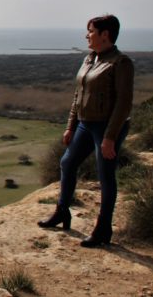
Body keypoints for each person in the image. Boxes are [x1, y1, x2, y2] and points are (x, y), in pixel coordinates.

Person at [38, 14, 134, 248]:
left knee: (106, 176)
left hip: (106, 126)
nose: (86, 35)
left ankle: (103, 229)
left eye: (91, 31)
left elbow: (123, 102)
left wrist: (110, 137)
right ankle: (62, 212)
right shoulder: (90, 59)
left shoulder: (120, 63)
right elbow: (77, 95)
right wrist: (70, 126)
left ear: (105, 34)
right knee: (67, 163)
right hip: (85, 123)